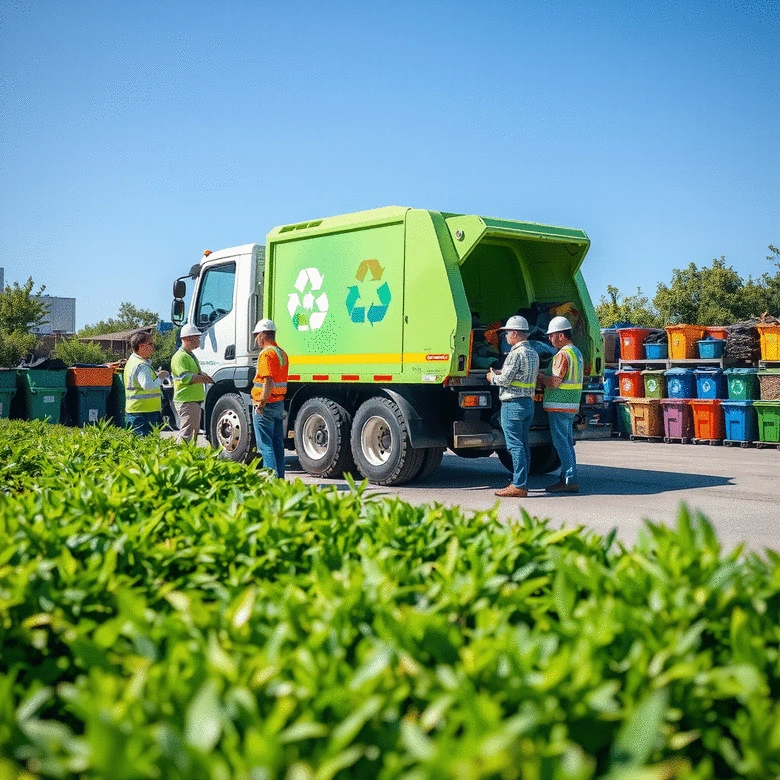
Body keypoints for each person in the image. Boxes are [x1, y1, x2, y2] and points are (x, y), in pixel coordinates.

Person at [487, 315, 540, 498]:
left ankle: (518, 485)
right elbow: (518, 375)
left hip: (512, 404)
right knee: (524, 444)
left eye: (507, 333)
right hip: (527, 404)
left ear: (515, 333)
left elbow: (505, 380)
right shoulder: (532, 353)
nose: (506, 336)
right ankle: (522, 481)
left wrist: (492, 377)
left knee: (514, 446)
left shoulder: (515, 353)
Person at [537, 316, 583, 493]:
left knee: (561, 443)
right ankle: (568, 477)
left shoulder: (563, 354)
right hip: (570, 405)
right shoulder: (576, 353)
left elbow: (555, 382)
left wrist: (541, 378)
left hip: (559, 405)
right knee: (567, 443)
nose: (550, 339)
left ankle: (569, 479)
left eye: (552, 336)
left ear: (561, 336)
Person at [251, 318, 289, 477]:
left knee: (265, 446)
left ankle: (271, 482)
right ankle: (280, 479)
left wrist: (261, 404)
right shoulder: (282, 353)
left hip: (266, 405)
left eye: (256, 336)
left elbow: (267, 381)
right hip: (278, 404)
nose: (255, 340)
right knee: (277, 445)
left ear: (262, 336)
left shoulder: (266, 354)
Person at [170, 323, 213, 442]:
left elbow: (193, 373)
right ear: (188, 339)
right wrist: (202, 378)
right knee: (187, 434)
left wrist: (202, 375)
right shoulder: (180, 357)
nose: (199, 340)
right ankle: (180, 458)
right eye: (196, 337)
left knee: (191, 434)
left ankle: (188, 457)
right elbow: (185, 377)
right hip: (186, 400)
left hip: (192, 400)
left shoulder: (190, 355)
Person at [124, 331, 169, 437]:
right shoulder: (141, 365)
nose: (153, 347)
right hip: (144, 412)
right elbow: (148, 386)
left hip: (138, 410)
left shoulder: (133, 361)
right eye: (151, 344)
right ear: (142, 346)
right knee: (145, 445)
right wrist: (161, 377)